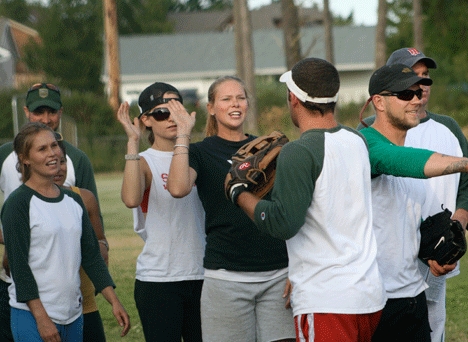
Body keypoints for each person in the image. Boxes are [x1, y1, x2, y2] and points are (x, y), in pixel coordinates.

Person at [233, 58, 386, 341]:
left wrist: (239, 193)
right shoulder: (357, 139)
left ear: (294, 98)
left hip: (328, 300)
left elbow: (282, 223)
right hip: (369, 295)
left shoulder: (299, 151)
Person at [167, 76, 296, 342]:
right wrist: (183, 133)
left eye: (240, 98)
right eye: (226, 99)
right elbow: (178, 188)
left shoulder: (267, 148)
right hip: (226, 277)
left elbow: (289, 210)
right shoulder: (200, 151)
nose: (235, 104)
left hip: (277, 274)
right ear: (211, 107)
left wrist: (297, 268)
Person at [360, 48, 468, 342]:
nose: (418, 96)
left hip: (412, 295)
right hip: (372, 298)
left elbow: (422, 223)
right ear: (378, 102)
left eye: (419, 89)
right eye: (405, 93)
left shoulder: (440, 133)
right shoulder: (363, 142)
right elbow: (400, 161)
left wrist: (441, 249)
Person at [1, 122, 130, 341]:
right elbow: (19, 267)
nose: (52, 153)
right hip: (32, 316)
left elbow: (91, 255)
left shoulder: (74, 200)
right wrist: (42, 319)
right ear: (25, 158)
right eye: (42, 149)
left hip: (73, 315)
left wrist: (114, 300)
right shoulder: (18, 203)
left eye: (54, 146)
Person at [116, 82, 206, 342]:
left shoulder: (198, 157)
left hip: (202, 274)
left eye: (176, 110)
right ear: (146, 120)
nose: (170, 119)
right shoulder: (145, 161)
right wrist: (132, 142)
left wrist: (185, 138)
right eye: (161, 113)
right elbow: (131, 198)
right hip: (158, 279)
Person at [53, 138, 109, 341]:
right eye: (53, 162)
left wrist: (102, 247)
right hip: (45, 306)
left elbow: (100, 241)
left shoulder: (84, 198)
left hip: (85, 303)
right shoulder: (23, 200)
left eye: (63, 161)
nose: (59, 168)